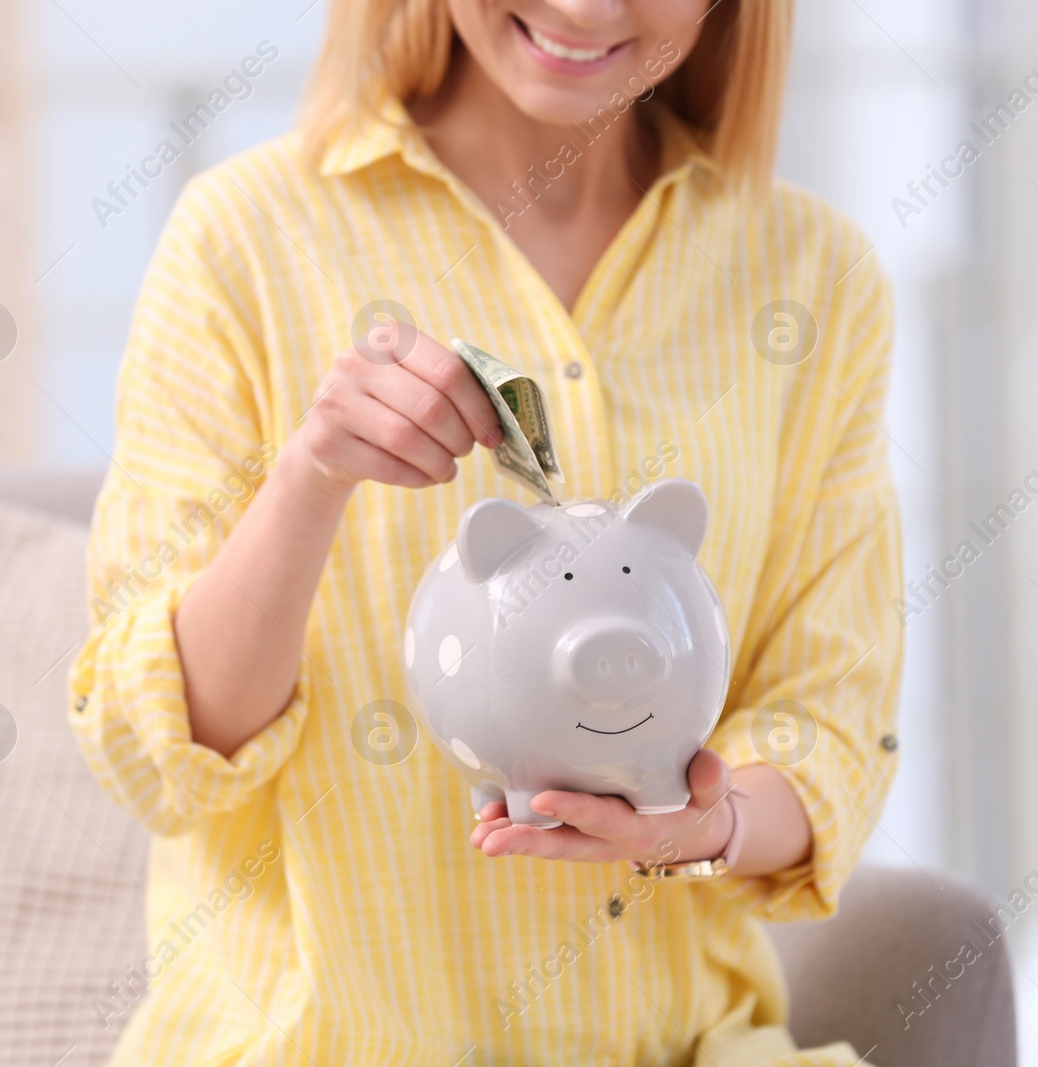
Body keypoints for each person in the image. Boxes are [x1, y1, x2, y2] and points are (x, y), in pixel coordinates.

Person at [69, 1, 902, 1062]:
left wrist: (704, 825)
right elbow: (153, 755)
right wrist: (311, 475)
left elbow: (832, 718)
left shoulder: (812, 274)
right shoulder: (244, 237)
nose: (588, 8)